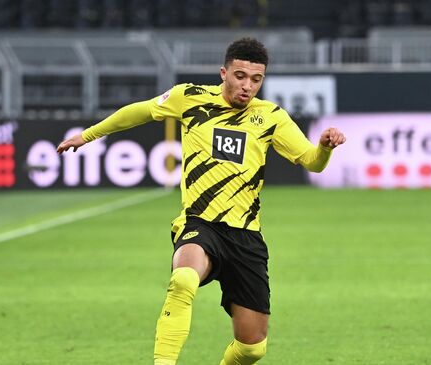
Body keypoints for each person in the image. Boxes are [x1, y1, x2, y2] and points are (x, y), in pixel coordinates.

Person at [56, 38, 346, 365]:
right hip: (199, 223)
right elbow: (140, 111)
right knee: (182, 279)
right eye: (240, 76)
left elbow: (310, 161)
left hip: (245, 236)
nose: (247, 86)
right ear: (224, 73)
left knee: (252, 348)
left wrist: (324, 147)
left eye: (256, 79)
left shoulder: (271, 117)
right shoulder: (190, 98)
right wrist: (89, 134)